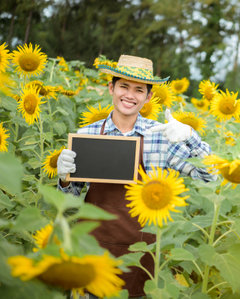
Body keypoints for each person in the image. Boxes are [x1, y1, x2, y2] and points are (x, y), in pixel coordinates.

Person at [57, 54, 215, 298]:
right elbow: (68, 202)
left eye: (139, 90)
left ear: (148, 96)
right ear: (111, 87)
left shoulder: (160, 137)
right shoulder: (86, 135)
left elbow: (210, 176)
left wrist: (190, 137)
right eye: (123, 86)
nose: (129, 95)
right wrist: (64, 178)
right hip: (93, 247)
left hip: (140, 253)